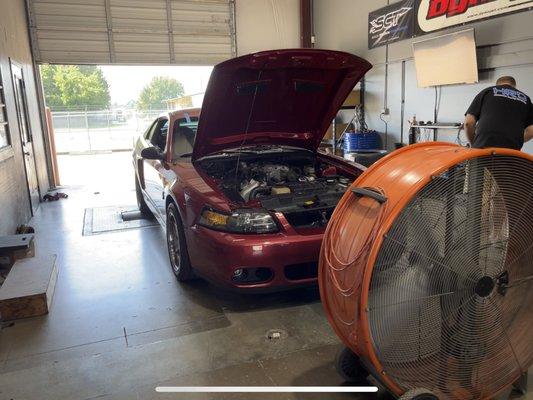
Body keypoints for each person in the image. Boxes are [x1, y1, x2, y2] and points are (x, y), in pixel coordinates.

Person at [464, 76, 533, 150]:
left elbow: (468, 123)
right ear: (514, 86)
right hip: (511, 152)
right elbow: (531, 131)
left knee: (482, 161)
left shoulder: (487, 91)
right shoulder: (526, 99)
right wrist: (516, 141)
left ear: (497, 85)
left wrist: (473, 144)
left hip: (483, 147)